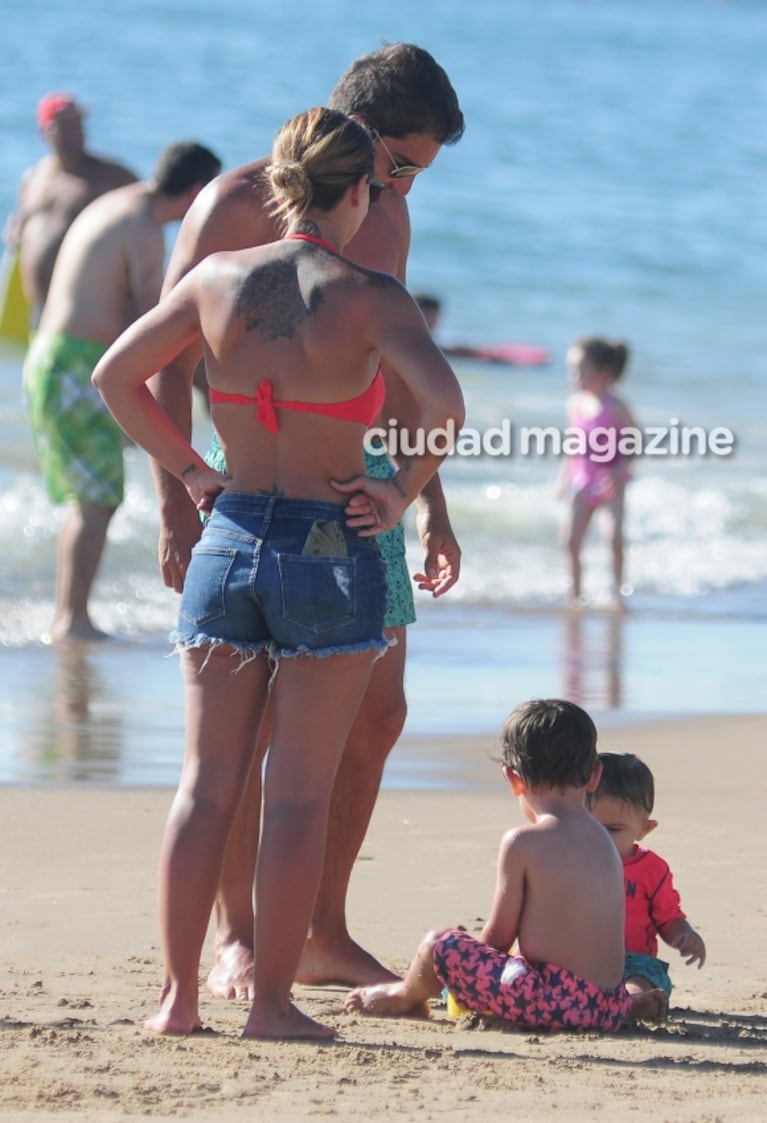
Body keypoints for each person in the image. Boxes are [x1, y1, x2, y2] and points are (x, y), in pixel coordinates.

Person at [92, 107, 465, 1040]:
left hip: (230, 534)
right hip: (329, 549)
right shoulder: (373, 296)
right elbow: (446, 403)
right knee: (296, 792)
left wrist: (189, 473)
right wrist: (398, 491)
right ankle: (271, 1005)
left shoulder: (216, 280)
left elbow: (115, 376)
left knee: (204, 785)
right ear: (352, 192)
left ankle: (176, 1001)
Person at [22, 141, 222, 642]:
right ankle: (72, 619)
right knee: (95, 499)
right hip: (76, 364)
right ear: (198, 193)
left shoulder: (120, 203)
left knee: (93, 497)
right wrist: (203, 390)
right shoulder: (144, 232)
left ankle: (72, 615)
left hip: (53, 356)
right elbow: (156, 330)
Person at [346, 699, 632, 1032]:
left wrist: (471, 965)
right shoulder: (603, 839)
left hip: (555, 1005)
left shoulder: (523, 842)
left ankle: (404, 995)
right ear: (595, 775)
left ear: (513, 779)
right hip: (609, 1005)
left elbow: (498, 937)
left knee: (440, 943)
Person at [588, 752, 707, 1022]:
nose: (600, 838)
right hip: (581, 959)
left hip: (632, 960)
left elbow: (669, 918)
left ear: (644, 829)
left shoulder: (652, 870)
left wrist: (684, 935)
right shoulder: (571, 860)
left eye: (614, 830)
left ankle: (634, 1003)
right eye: (591, 826)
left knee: (642, 978)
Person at [7, 92, 138, 327]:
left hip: (89, 311)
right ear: (44, 131)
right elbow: (22, 226)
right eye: (65, 125)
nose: (75, 131)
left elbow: (151, 215)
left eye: (78, 123)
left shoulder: (110, 176)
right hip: (40, 310)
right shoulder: (32, 178)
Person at [559, 337, 637, 611]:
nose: (573, 376)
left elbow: (634, 444)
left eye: (579, 370)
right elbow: (572, 446)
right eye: (571, 369)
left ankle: (617, 595)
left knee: (614, 540)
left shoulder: (615, 406)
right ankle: (576, 595)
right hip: (582, 483)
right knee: (570, 542)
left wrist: (618, 472)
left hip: (610, 484)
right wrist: (564, 480)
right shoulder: (575, 404)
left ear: (603, 373)